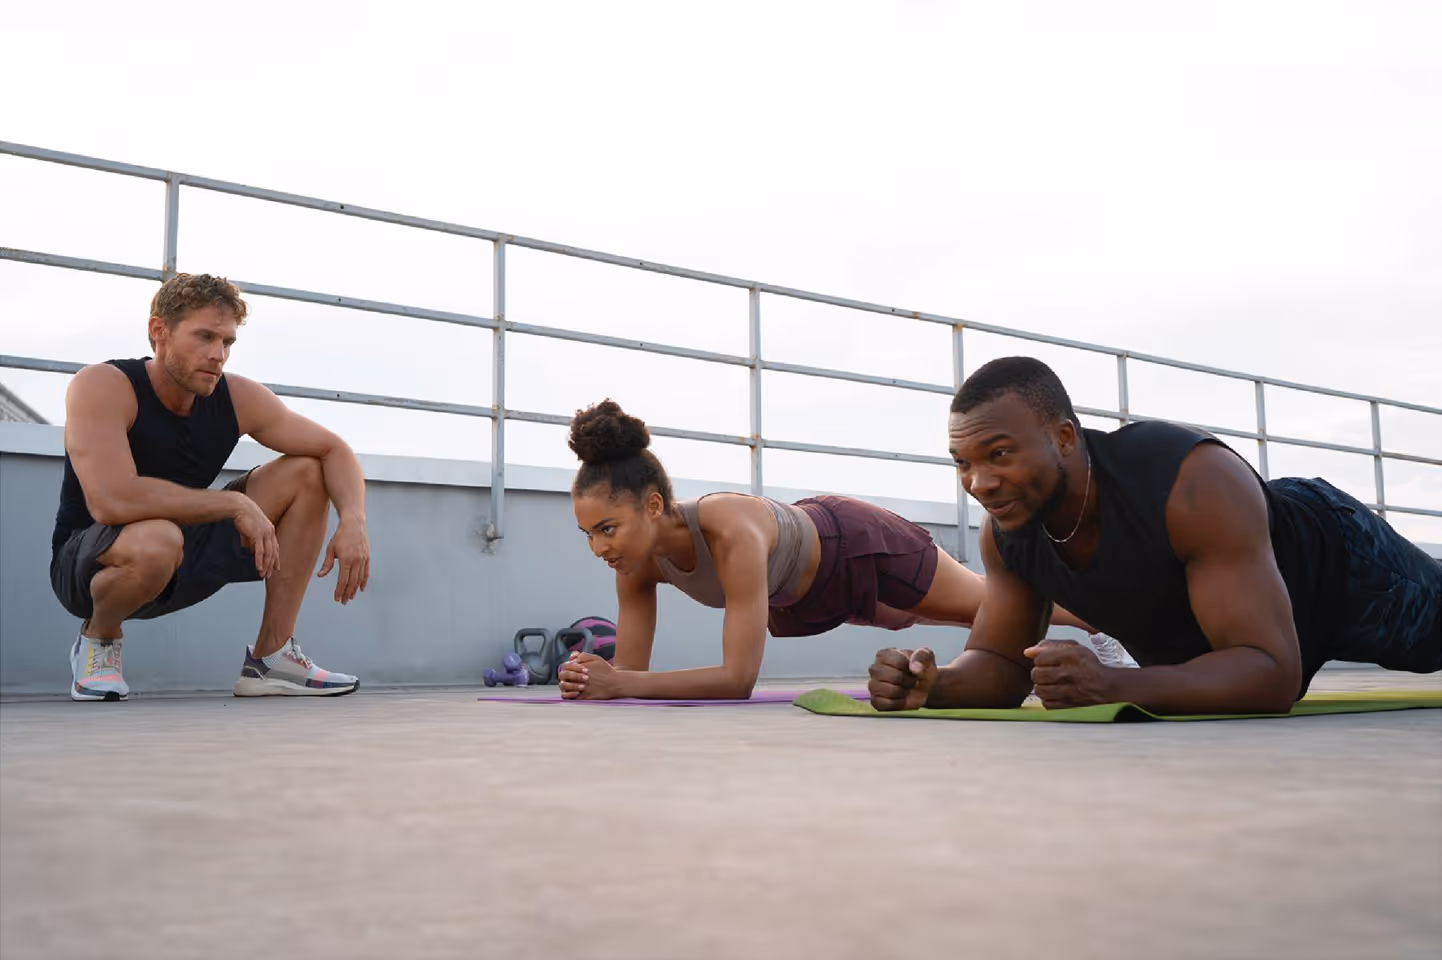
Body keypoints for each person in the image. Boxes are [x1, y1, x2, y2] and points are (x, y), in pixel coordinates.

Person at [868, 357, 1440, 715]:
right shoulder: (1008, 533)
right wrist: (932, 684)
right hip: (1253, 599)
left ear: (1063, 438)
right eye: (962, 462)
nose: (980, 483)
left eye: (998, 454)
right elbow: (998, 662)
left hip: (1343, 566)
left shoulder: (1193, 484)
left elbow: (1270, 674)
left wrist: (1113, 684)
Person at [558, 400, 1090, 700]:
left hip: (853, 545)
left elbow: (737, 679)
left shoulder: (729, 528)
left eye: (607, 528)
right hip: (814, 596)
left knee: (984, 605)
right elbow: (627, 672)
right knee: (956, 612)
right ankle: (1097, 623)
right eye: (588, 533)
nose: (598, 547)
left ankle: (1104, 622)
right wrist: (591, 677)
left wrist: (618, 682)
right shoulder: (633, 565)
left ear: (653, 506)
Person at [51, 273, 370, 701]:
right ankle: (99, 642)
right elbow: (112, 500)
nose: (218, 355)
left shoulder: (236, 397)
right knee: (159, 538)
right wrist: (234, 505)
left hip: (184, 549)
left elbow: (334, 449)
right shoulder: (104, 385)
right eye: (204, 337)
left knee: (307, 472)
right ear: (159, 331)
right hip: (92, 566)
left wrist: (353, 520)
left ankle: (271, 659)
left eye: (227, 342)